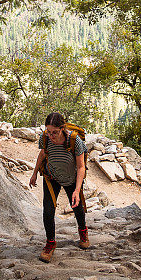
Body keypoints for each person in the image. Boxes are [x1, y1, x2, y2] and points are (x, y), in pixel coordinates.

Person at [29, 112, 89, 262]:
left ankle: (83, 232)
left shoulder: (74, 140)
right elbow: (42, 154)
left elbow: (81, 167)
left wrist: (77, 189)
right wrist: (34, 173)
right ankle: (50, 243)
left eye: (54, 132)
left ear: (62, 128)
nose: (51, 135)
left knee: (77, 207)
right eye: (48, 131)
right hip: (51, 177)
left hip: (71, 179)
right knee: (48, 211)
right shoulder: (46, 138)